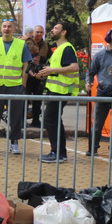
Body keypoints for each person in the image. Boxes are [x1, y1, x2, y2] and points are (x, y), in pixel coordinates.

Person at [34, 21, 80, 163]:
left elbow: (74, 67)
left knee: (50, 120)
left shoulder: (66, 48)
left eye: (56, 28)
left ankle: (57, 153)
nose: (52, 30)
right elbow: (56, 72)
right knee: (53, 121)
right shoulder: (58, 49)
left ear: (64, 32)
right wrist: (43, 72)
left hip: (61, 91)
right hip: (56, 91)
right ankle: (60, 153)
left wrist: (52, 70)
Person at [0, 19, 31, 154]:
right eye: (4, 26)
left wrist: (23, 84)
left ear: (14, 29)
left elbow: (25, 65)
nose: (6, 29)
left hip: (15, 85)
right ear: (1, 28)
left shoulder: (21, 45)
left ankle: (14, 142)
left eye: (9, 27)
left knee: (16, 116)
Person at [85, 29, 112, 156]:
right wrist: (88, 81)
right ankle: (93, 148)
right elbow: (90, 72)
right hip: (103, 92)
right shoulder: (100, 55)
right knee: (97, 123)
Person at [23, 25, 50, 127]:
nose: (39, 34)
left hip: (39, 77)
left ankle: (35, 120)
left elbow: (49, 60)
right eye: (37, 32)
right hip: (27, 77)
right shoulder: (27, 42)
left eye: (41, 32)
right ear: (33, 32)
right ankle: (22, 120)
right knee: (25, 98)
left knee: (37, 100)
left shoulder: (46, 45)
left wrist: (44, 70)